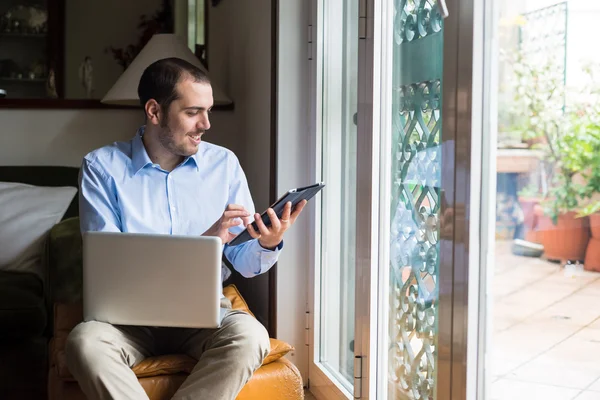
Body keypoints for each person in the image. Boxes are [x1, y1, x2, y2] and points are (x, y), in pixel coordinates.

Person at [65, 57, 306, 400]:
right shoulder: (102, 168)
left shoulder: (224, 165)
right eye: (193, 112)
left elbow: (246, 263)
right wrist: (206, 241)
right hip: (127, 317)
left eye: (208, 112)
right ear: (154, 111)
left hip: (205, 312)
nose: (205, 124)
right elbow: (111, 265)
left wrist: (268, 243)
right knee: (84, 343)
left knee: (251, 336)